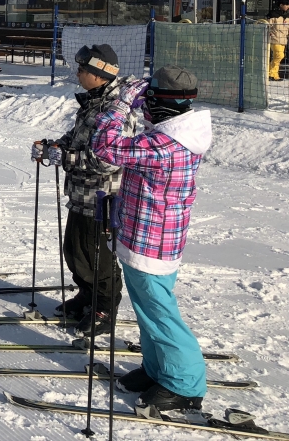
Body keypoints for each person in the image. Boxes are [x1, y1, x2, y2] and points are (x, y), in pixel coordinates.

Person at [90, 67, 211, 418]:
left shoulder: (166, 144)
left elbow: (105, 147)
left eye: (147, 101)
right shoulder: (171, 135)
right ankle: (159, 369)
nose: (142, 108)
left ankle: (185, 384)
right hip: (144, 236)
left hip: (152, 242)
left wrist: (121, 102)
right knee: (147, 311)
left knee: (161, 313)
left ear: (161, 106)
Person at [33, 44, 140, 334]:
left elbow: (109, 159)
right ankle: (86, 295)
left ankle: (105, 306)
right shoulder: (94, 102)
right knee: (75, 250)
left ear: (99, 74)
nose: (78, 74)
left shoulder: (117, 110)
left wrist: (66, 158)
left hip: (103, 196)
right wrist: (55, 146)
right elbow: (76, 137)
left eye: (83, 70)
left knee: (98, 255)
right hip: (81, 193)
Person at [267, 0, 289, 80]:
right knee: (279, 55)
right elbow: (268, 25)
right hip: (275, 38)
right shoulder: (273, 15)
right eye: (285, 4)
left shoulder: (287, 16)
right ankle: (271, 73)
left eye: (288, 5)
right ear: (281, 5)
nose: (287, 6)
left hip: (283, 39)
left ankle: (273, 74)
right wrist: (270, 33)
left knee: (278, 57)